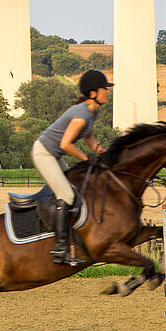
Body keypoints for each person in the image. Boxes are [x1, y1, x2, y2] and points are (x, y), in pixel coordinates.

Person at [32, 69, 112, 265]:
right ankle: (60, 250)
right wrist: (86, 158)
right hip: (44, 153)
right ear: (93, 93)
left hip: (53, 154)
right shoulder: (81, 114)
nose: (108, 92)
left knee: (74, 191)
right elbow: (65, 144)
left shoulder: (92, 112)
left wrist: (105, 155)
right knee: (67, 195)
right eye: (105, 89)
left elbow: (90, 138)